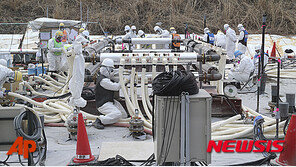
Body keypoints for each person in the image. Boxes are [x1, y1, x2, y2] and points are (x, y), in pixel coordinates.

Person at [93, 58, 127, 129]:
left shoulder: (104, 77)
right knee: (117, 114)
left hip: (110, 101)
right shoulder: (103, 81)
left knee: (124, 116)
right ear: (107, 69)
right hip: (103, 104)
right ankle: (100, 120)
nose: (112, 72)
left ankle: (110, 119)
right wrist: (125, 80)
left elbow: (114, 78)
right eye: (111, 70)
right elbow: (116, 87)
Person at [68, 30, 90, 108]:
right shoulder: (79, 37)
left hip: (79, 58)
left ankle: (76, 96)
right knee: (78, 76)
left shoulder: (79, 38)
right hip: (78, 58)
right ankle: (76, 97)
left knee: (79, 76)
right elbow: (87, 42)